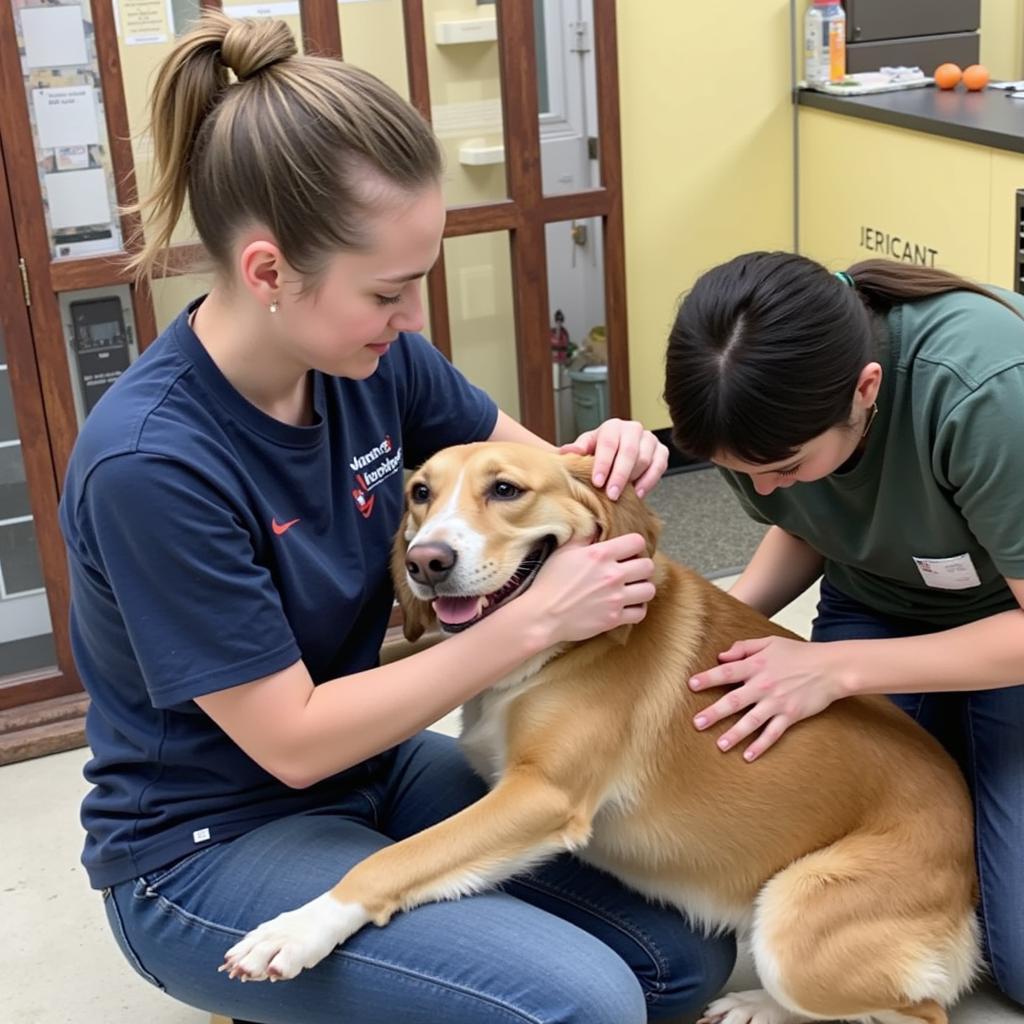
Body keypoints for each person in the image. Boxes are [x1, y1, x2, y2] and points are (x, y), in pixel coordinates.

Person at [58, 12, 736, 1024]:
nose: (413, 318)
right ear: (267, 273)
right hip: (210, 838)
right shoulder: (153, 463)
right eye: (389, 290)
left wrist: (601, 464)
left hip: (371, 772)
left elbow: (533, 473)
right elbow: (287, 742)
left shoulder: (373, 359)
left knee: (682, 955)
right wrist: (536, 621)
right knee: (586, 1003)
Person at [663, 250, 1024, 1007]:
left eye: (782, 464)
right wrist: (709, 627)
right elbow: (810, 516)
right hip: (878, 601)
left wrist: (837, 670)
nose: (762, 490)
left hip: (1005, 627)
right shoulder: (754, 411)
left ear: (867, 390)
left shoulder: (984, 391)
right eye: (741, 472)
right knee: (839, 825)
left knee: (1017, 955)